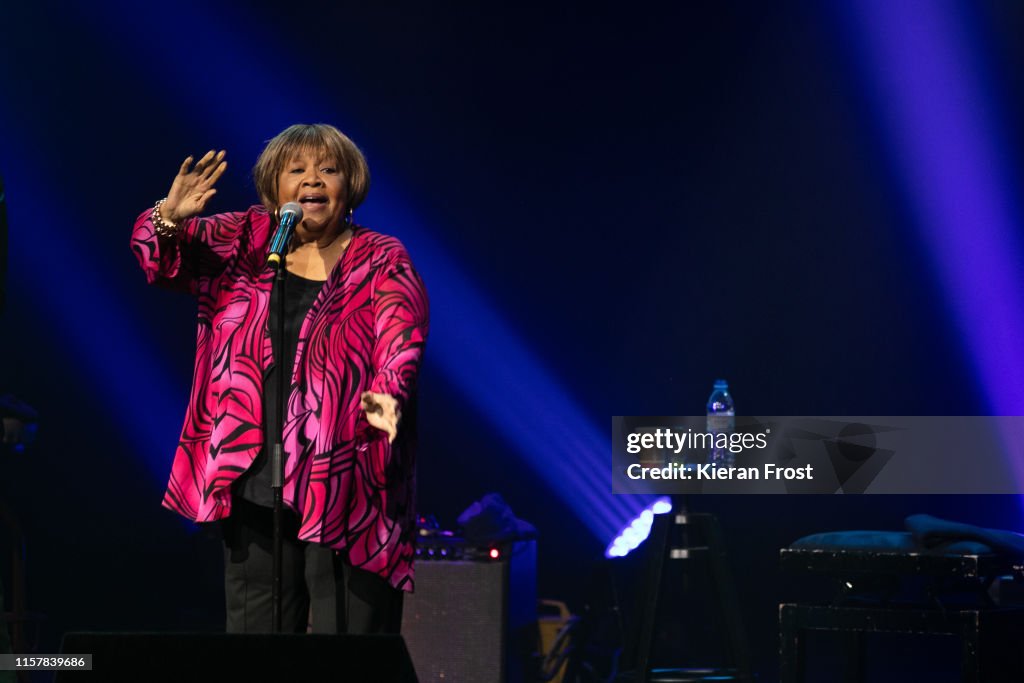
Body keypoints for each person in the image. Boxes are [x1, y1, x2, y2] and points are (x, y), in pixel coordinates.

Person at [131, 124, 429, 634]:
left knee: (349, 638)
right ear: (274, 189)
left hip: (345, 473)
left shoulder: (380, 258)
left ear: (348, 185)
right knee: (256, 637)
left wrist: (384, 403)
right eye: (297, 171)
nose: (312, 180)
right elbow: (158, 262)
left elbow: (401, 341)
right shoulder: (243, 240)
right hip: (249, 469)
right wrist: (167, 218)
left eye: (328, 170)